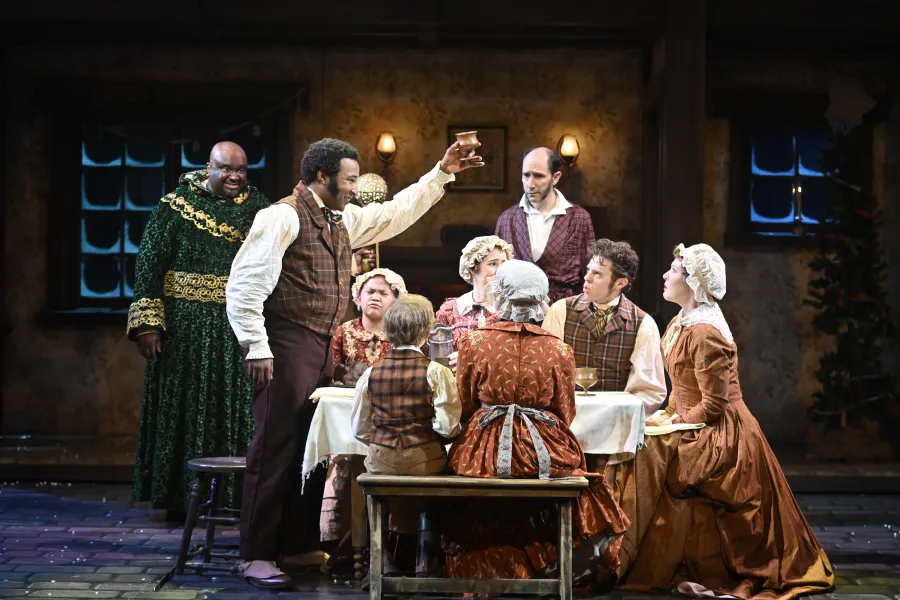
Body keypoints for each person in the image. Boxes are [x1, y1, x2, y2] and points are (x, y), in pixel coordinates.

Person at [226, 138, 483, 590]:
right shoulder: (282, 215)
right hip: (286, 341)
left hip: (319, 343)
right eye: (347, 180)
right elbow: (244, 284)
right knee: (274, 448)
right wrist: (256, 345)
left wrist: (441, 173)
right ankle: (257, 553)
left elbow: (393, 214)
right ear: (321, 177)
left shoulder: (339, 220)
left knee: (311, 450)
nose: (353, 189)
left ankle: (296, 542)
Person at [619, 243, 834, 599]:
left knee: (665, 464)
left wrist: (673, 427)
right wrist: (667, 413)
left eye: (673, 271)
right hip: (694, 419)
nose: (665, 275)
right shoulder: (682, 321)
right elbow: (683, 385)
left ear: (693, 284)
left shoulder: (705, 332)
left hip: (720, 433)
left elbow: (714, 405)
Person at [443, 260, 629, 590]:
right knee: (565, 479)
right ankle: (544, 566)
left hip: (483, 449)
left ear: (500, 295)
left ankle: (488, 569)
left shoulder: (474, 342)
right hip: (541, 450)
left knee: (467, 480)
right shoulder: (558, 348)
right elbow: (565, 412)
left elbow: (465, 403)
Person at [128, 142, 270, 518]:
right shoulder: (173, 207)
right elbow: (148, 266)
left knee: (239, 408)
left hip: (239, 325)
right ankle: (177, 496)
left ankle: (235, 496)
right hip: (183, 328)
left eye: (241, 169)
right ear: (208, 166)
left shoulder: (261, 209)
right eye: (226, 169)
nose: (235, 177)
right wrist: (148, 324)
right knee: (184, 406)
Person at [321, 268, 406, 576]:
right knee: (344, 464)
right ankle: (341, 545)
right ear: (357, 298)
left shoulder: (401, 335)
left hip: (389, 417)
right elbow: (331, 367)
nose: (375, 297)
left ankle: (386, 546)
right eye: (370, 291)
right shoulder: (343, 331)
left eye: (384, 293)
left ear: (395, 301)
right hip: (349, 413)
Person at [542, 239, 666, 417]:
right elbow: (545, 372)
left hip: (615, 426)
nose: (587, 278)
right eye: (588, 270)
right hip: (566, 422)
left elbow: (649, 391)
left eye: (597, 274)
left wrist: (614, 416)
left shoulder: (642, 324)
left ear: (620, 283)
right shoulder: (561, 311)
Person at [495, 147, 595, 303]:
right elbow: (495, 276)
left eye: (538, 176)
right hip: (515, 314)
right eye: (526, 175)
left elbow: (590, 274)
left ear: (555, 178)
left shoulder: (579, 218)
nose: (530, 184)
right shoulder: (507, 219)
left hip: (564, 312)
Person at [434, 235, 513, 369]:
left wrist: (469, 358)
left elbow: (513, 357)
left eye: (504, 263)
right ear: (472, 268)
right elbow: (438, 361)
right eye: (493, 263)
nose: (501, 270)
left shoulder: (511, 310)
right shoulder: (450, 309)